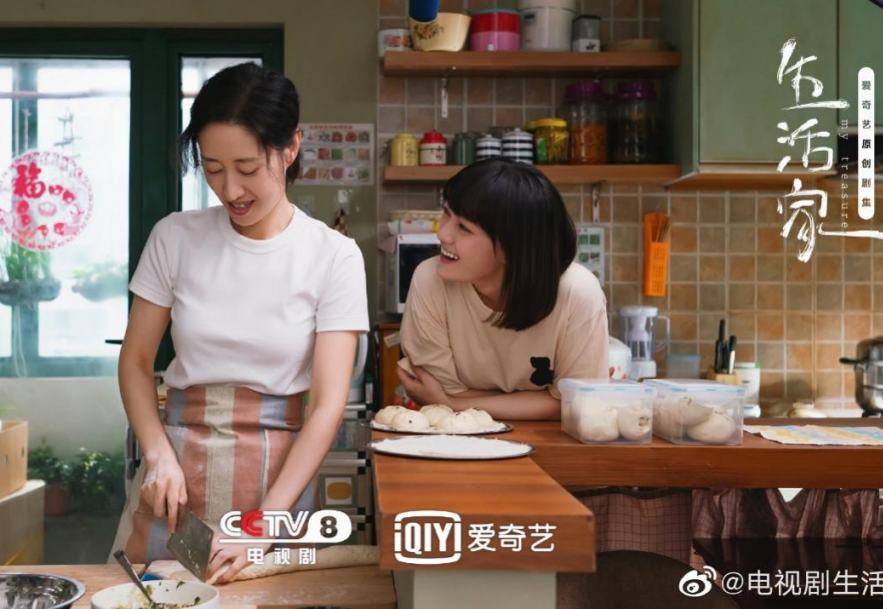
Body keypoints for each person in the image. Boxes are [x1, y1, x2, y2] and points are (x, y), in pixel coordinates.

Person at [110, 62, 368, 584]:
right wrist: (158, 456)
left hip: (278, 485)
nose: (231, 189)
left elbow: (326, 405)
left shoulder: (333, 256)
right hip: (176, 477)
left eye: (248, 168)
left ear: (290, 148)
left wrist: (263, 523)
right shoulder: (174, 237)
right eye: (213, 168)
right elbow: (135, 361)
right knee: (149, 594)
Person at [398, 158, 608, 419]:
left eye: (463, 228)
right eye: (447, 213)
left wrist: (452, 404)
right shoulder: (430, 280)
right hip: (460, 437)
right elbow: (439, 389)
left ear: (513, 248)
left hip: (551, 440)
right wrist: (547, 401)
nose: (442, 234)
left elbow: (581, 401)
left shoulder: (577, 291)